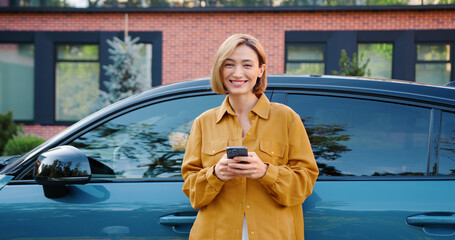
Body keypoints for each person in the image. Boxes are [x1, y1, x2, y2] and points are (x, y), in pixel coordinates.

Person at [181, 33, 319, 240]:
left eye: (247, 65)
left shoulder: (286, 118)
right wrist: (216, 174)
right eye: (229, 65)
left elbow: (304, 183)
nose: (237, 73)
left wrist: (265, 171)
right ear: (220, 69)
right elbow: (193, 193)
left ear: (260, 70)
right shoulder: (203, 122)